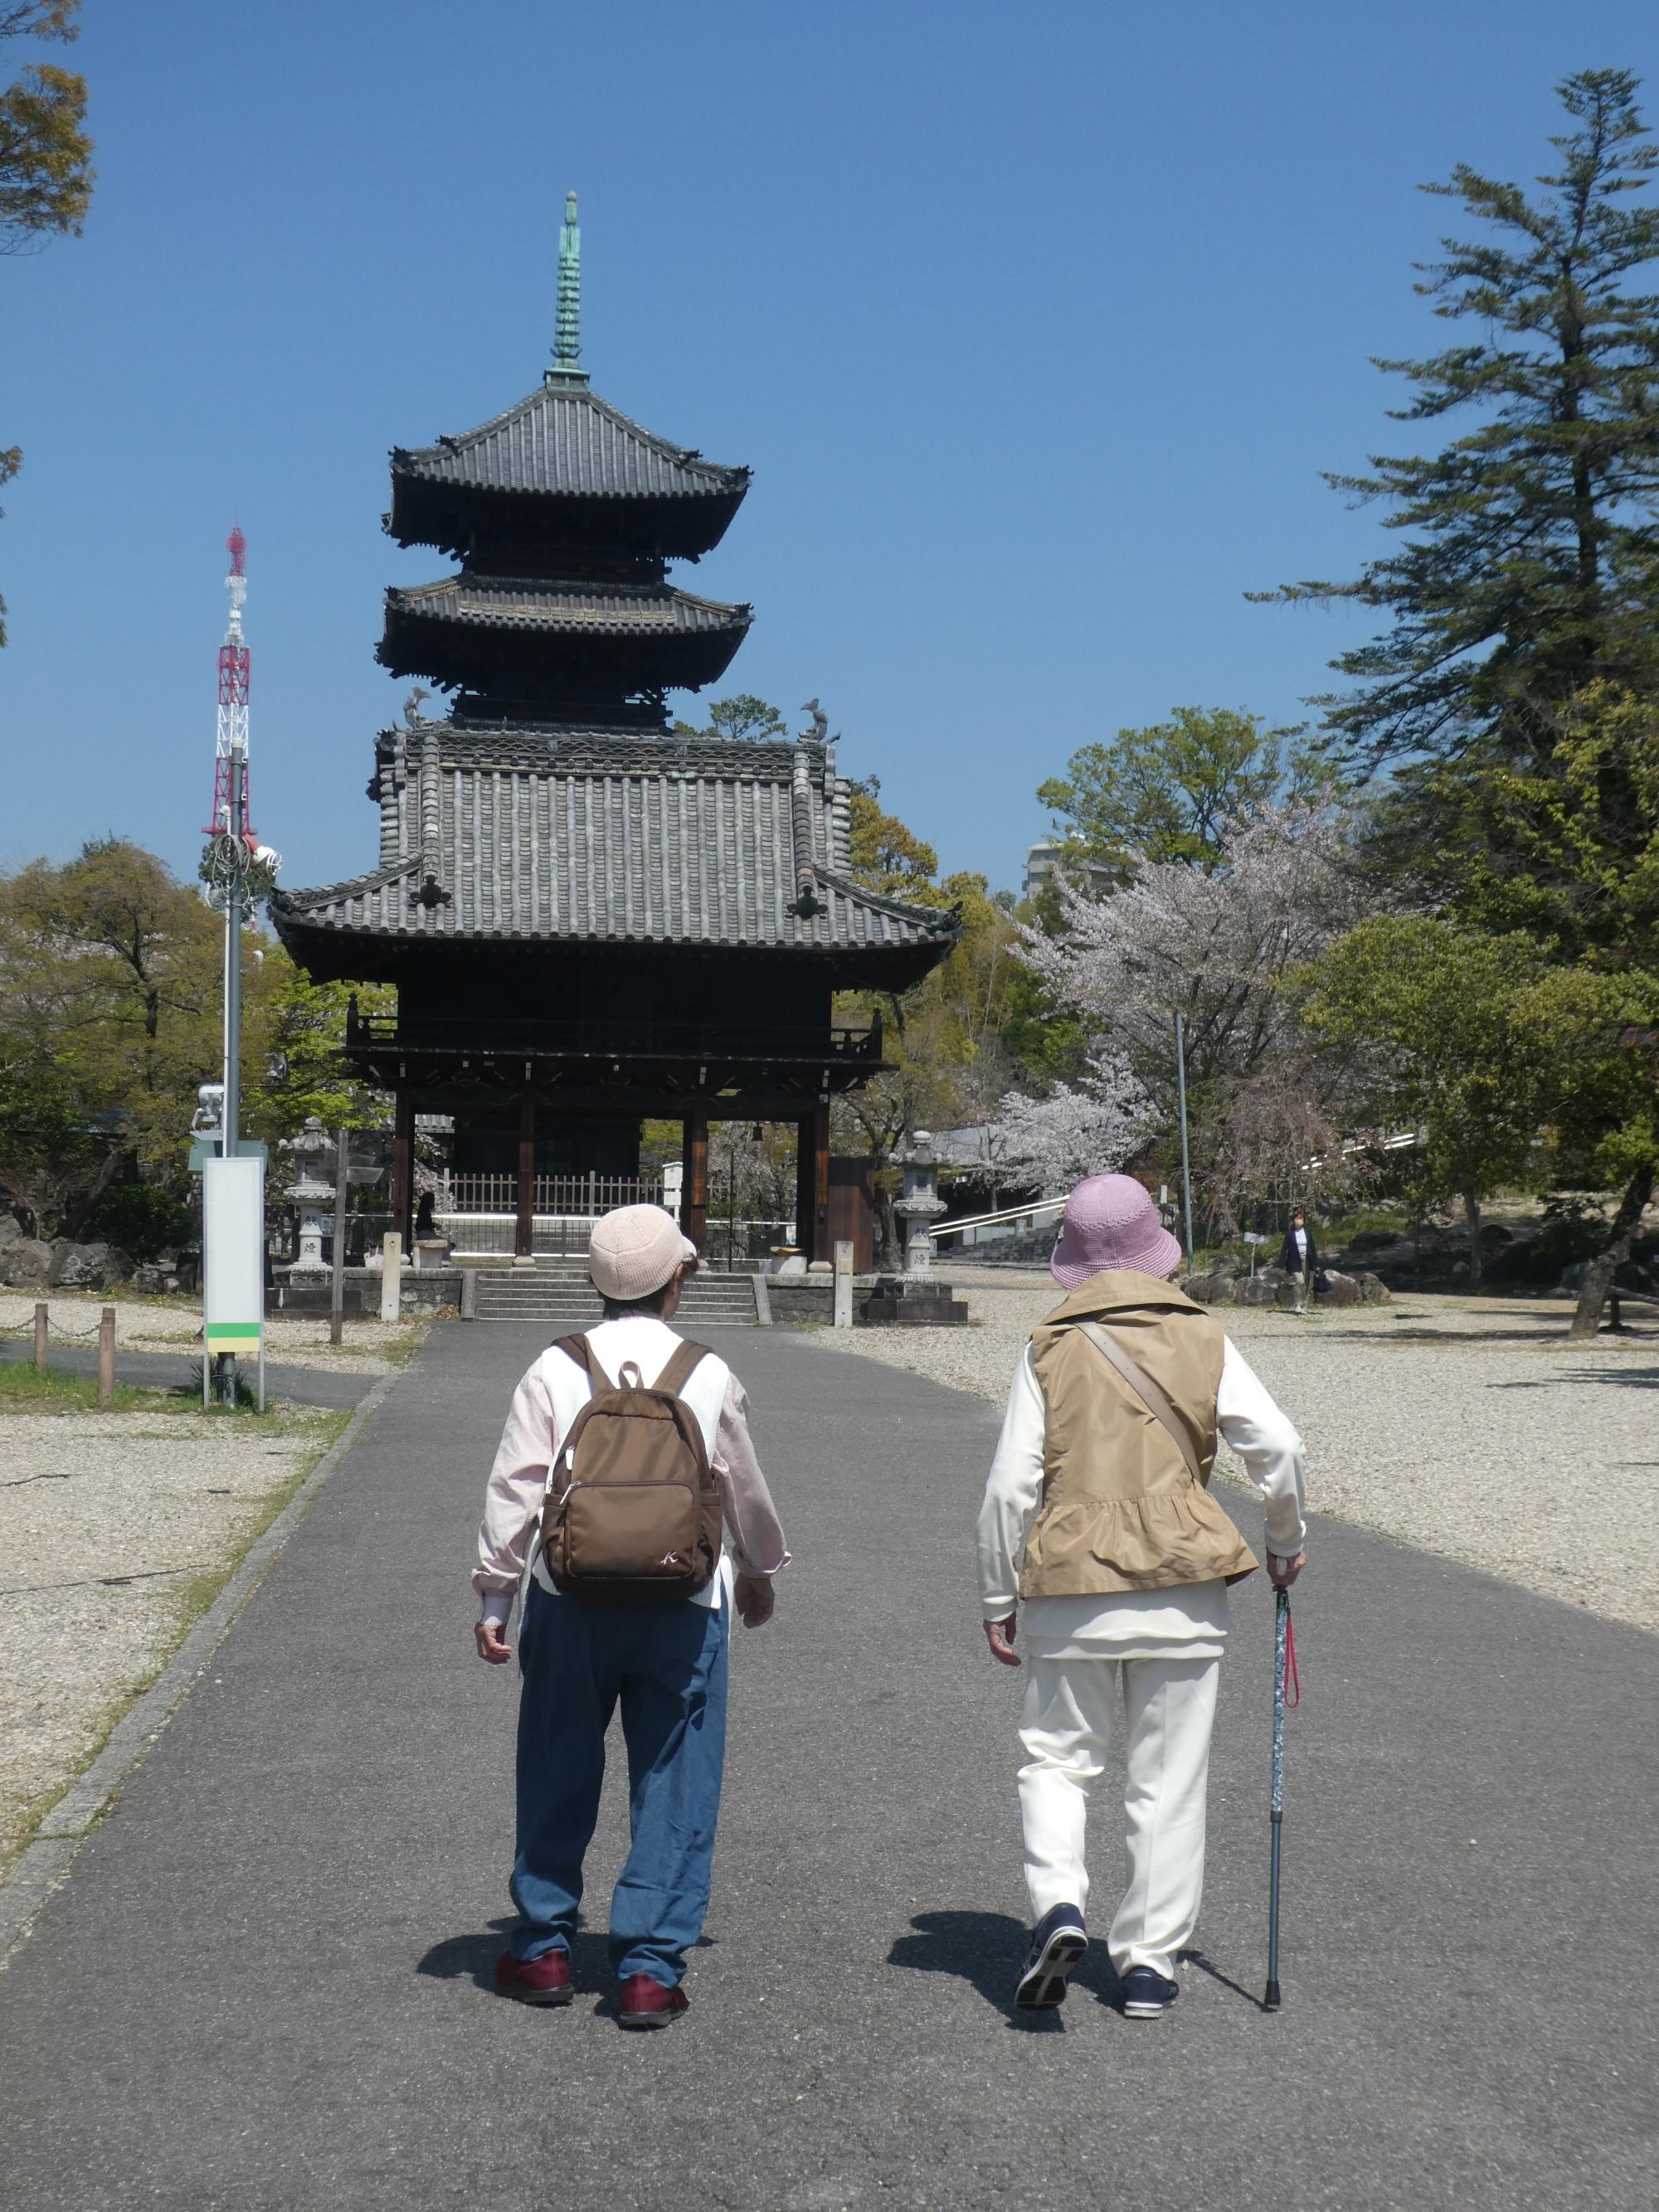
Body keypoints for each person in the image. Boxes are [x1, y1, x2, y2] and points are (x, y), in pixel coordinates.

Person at [977, 1173, 1306, 2020]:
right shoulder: (1203, 1337)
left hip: (1069, 1579)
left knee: (1055, 1759)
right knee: (1167, 1780)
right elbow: (1275, 1444)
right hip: (1184, 1581)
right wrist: (1282, 1542)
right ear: (1153, 1243)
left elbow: (1010, 1487)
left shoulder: (1047, 1345)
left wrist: (995, 1593)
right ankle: (1148, 1965)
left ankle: (1057, 1903)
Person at [473, 1203, 789, 2029]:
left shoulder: (554, 1365)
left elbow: (516, 1484)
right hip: (681, 1599)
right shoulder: (705, 1369)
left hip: (566, 1595)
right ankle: (648, 1966)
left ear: (595, 1282)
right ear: (675, 1278)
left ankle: (542, 1946)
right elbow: (740, 1484)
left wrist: (493, 1591)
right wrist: (756, 1570)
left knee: (555, 1763)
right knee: (674, 1774)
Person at [1277, 1208, 1317, 1311]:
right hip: (1294, 1260)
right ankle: (1299, 1304)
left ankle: (1304, 1305)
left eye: (1301, 1219)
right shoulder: (1290, 1234)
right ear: (1293, 1220)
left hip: (1306, 1260)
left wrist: (1315, 1263)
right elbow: (1284, 1249)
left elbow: (1312, 1248)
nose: (1299, 1221)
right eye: (1297, 1219)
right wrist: (1281, 1263)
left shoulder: (1307, 1233)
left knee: (1306, 1283)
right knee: (1299, 1281)